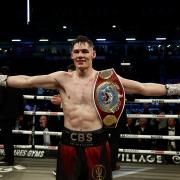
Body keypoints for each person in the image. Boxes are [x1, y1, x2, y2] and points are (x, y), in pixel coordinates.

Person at [0, 35, 180, 179]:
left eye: (85, 51)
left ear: (93, 54)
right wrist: (2, 79)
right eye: (76, 51)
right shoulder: (62, 78)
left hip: (97, 143)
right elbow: (28, 81)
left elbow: (142, 87)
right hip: (69, 143)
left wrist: (174, 89)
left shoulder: (107, 79)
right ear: (71, 55)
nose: (80, 55)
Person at [0, 66, 24, 166]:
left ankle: (9, 159)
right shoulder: (15, 85)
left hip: (3, 115)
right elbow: (21, 100)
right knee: (8, 137)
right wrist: (20, 113)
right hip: (12, 115)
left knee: (7, 138)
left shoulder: (2, 85)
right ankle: (8, 157)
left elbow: (0, 101)